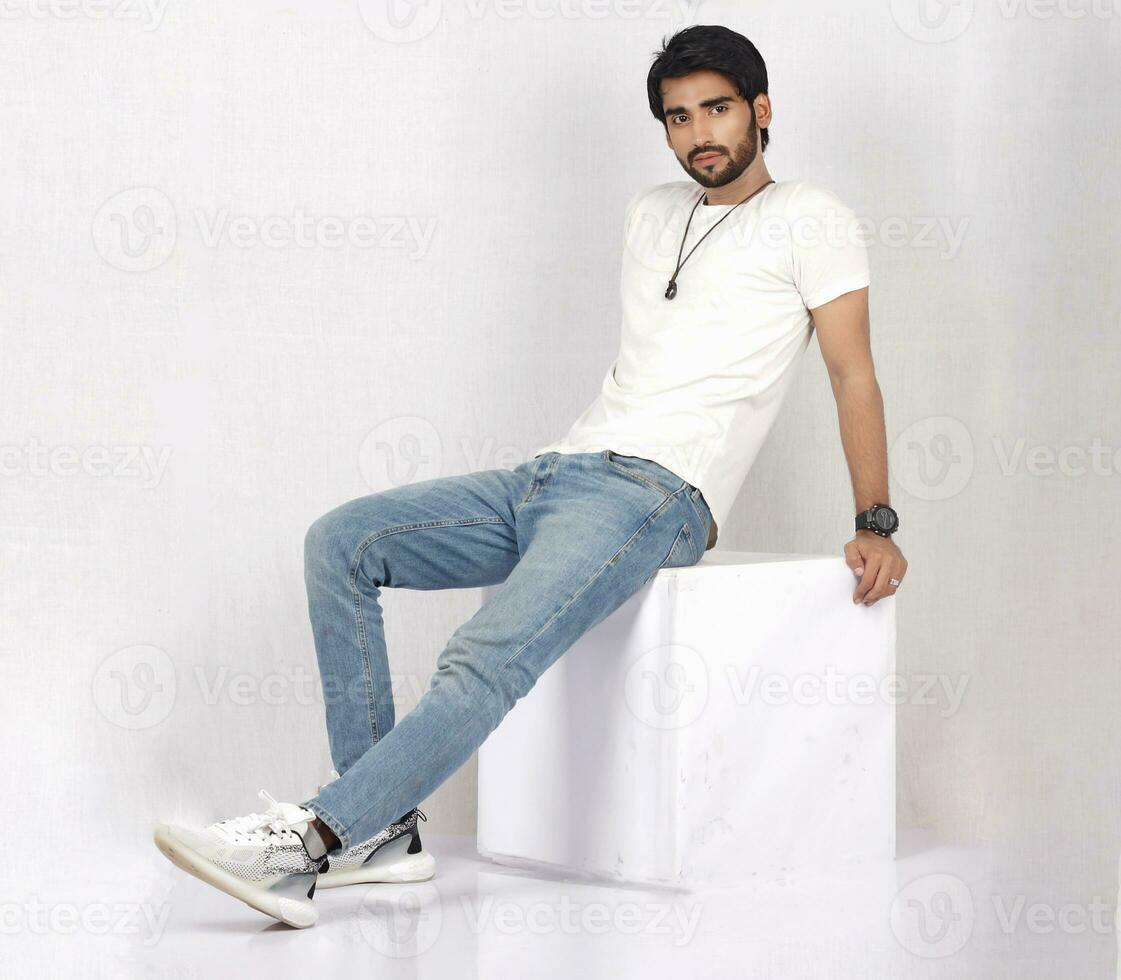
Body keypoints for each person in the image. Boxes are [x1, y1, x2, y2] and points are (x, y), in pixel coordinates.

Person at [153, 24, 908, 928]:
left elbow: (850, 372)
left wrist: (876, 518)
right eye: (677, 117)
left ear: (761, 110)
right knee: (342, 542)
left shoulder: (812, 217)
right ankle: (382, 832)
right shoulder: (650, 213)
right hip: (555, 472)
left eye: (716, 108)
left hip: (656, 494)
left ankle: (313, 840)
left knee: (484, 654)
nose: (699, 132)